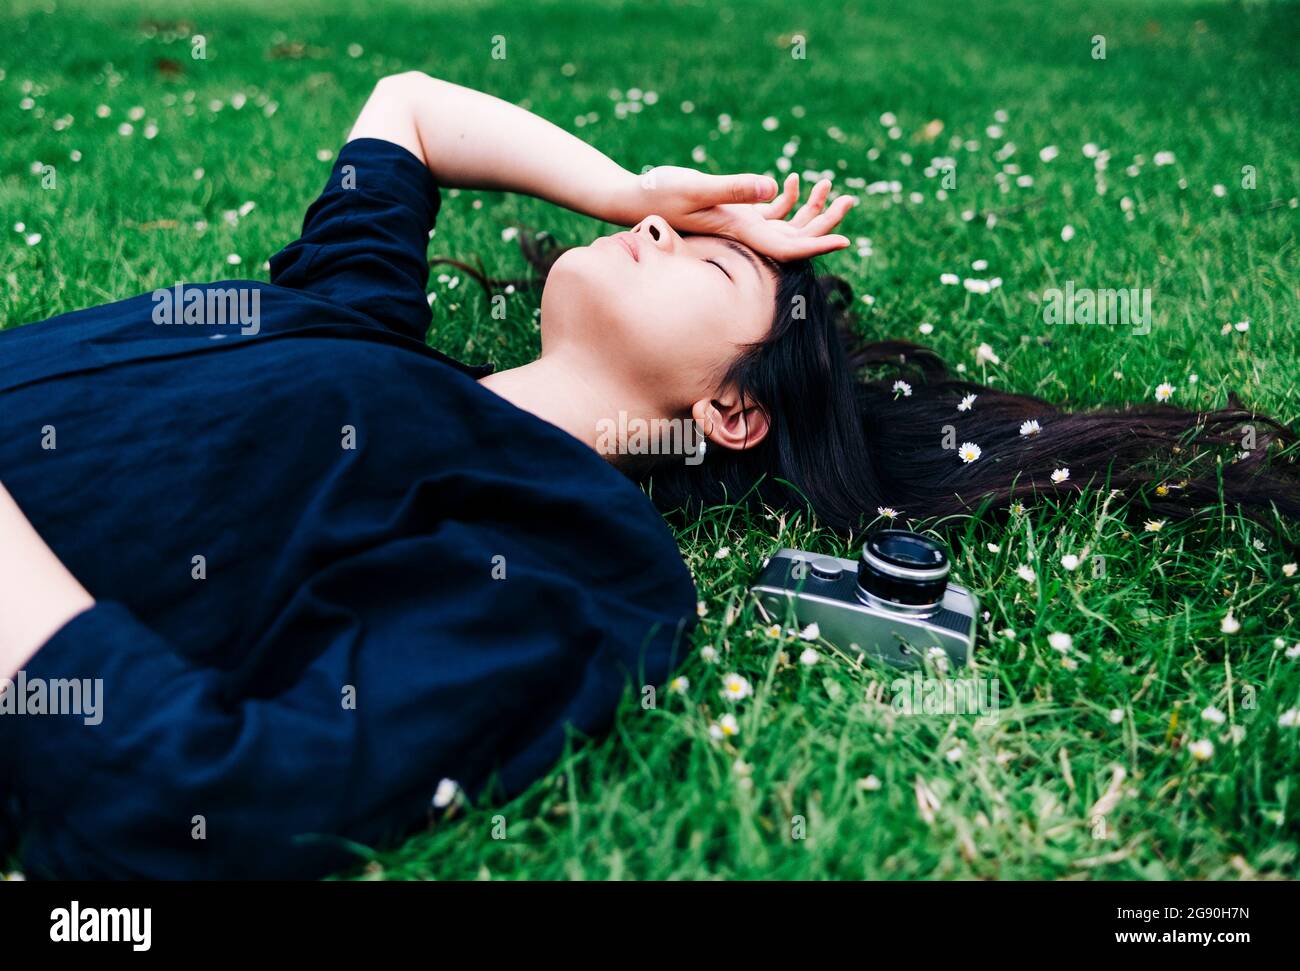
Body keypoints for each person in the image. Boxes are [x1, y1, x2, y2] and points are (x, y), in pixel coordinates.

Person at [1, 72, 1294, 879]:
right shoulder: (352, 318)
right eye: (669, 226)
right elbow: (406, 105)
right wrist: (623, 182)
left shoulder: (576, 559)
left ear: (732, 413)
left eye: (709, 262)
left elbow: (218, 798)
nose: (659, 228)